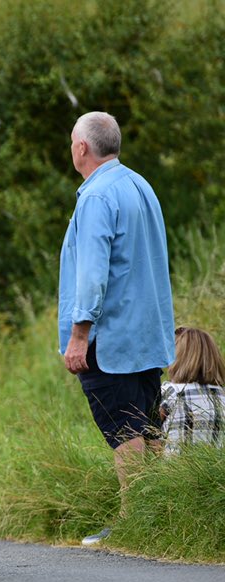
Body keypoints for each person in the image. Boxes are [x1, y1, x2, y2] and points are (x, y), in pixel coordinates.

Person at [58, 111, 175, 546]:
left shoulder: (96, 197)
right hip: (147, 331)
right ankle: (163, 518)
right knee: (149, 428)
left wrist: (79, 335)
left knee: (124, 429)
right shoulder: (140, 185)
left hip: (111, 339)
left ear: (82, 148)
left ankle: (135, 523)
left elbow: (93, 274)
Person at [160, 327, 225, 457]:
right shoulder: (222, 396)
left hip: (172, 467)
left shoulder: (171, 392)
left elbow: (148, 432)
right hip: (216, 468)